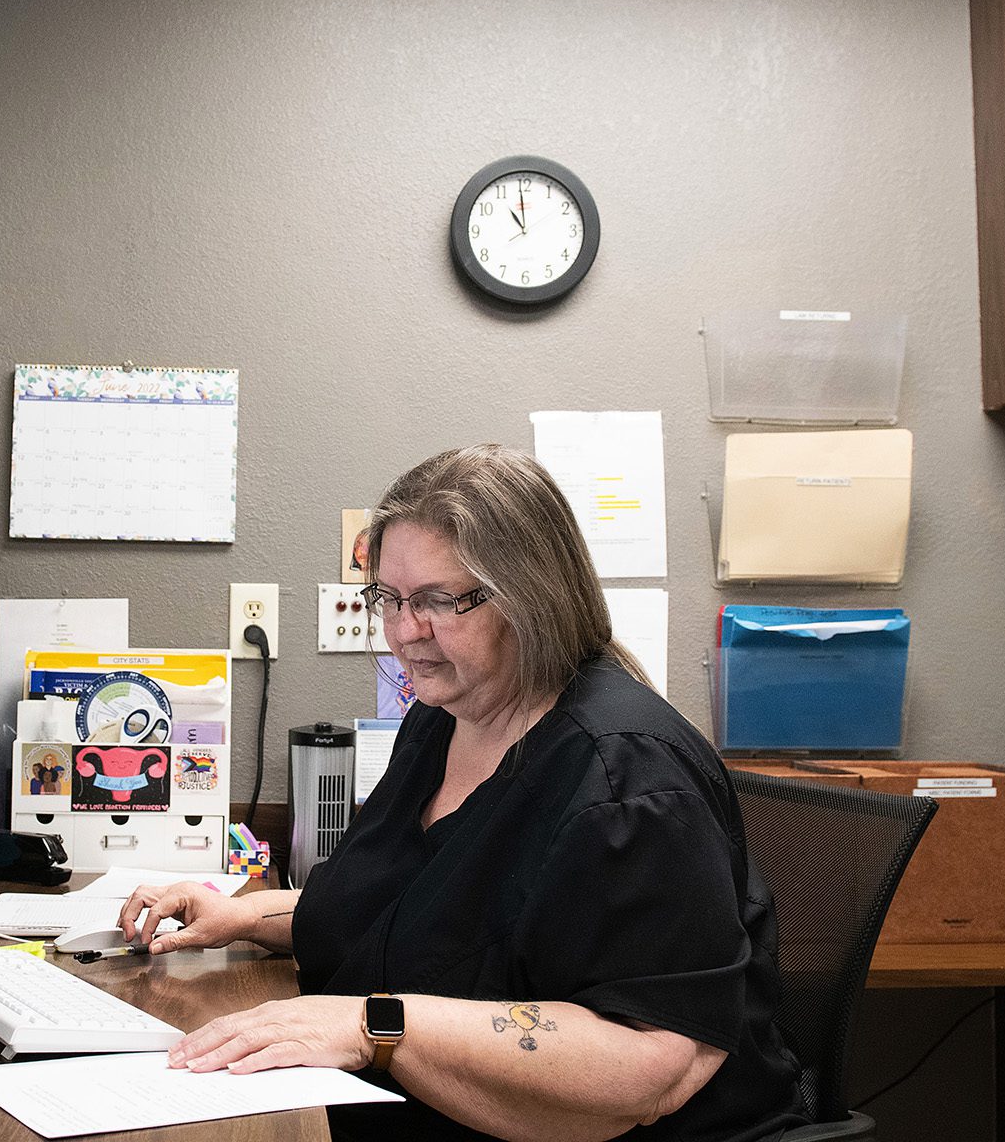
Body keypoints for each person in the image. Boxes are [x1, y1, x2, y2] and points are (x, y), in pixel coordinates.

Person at [118, 445, 805, 1142]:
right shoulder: (442, 718)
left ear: (531, 597)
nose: (403, 631)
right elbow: (419, 917)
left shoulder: (626, 779)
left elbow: (648, 1068)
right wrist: (242, 913)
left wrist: (371, 1025)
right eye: (388, 599)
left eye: (439, 602)